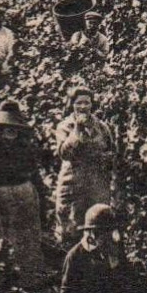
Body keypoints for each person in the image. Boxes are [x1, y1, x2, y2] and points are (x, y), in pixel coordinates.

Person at [0, 100, 51, 293]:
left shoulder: (26, 149)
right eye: (7, 127)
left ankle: (31, 279)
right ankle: (2, 279)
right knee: (0, 237)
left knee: (28, 237)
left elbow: (35, 175)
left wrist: (42, 198)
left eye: (15, 128)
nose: (11, 131)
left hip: (24, 194)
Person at [54, 85, 116, 235]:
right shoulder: (64, 127)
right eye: (78, 103)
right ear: (72, 105)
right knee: (71, 227)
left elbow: (111, 151)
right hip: (73, 184)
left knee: (98, 224)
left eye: (86, 103)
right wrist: (77, 130)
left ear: (92, 105)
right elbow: (64, 153)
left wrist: (104, 159)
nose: (83, 107)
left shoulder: (102, 127)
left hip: (97, 184)